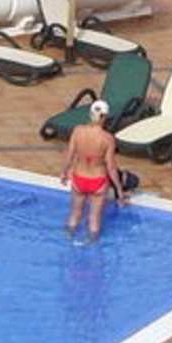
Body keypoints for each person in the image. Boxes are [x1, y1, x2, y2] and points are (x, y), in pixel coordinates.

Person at [60, 99, 124, 242]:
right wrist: (119, 192)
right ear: (105, 117)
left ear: (90, 114)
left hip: (79, 178)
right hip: (98, 181)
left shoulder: (77, 131)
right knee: (94, 219)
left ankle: (67, 239)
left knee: (75, 215)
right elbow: (111, 167)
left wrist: (64, 172)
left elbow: (70, 155)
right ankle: (90, 244)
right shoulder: (107, 139)